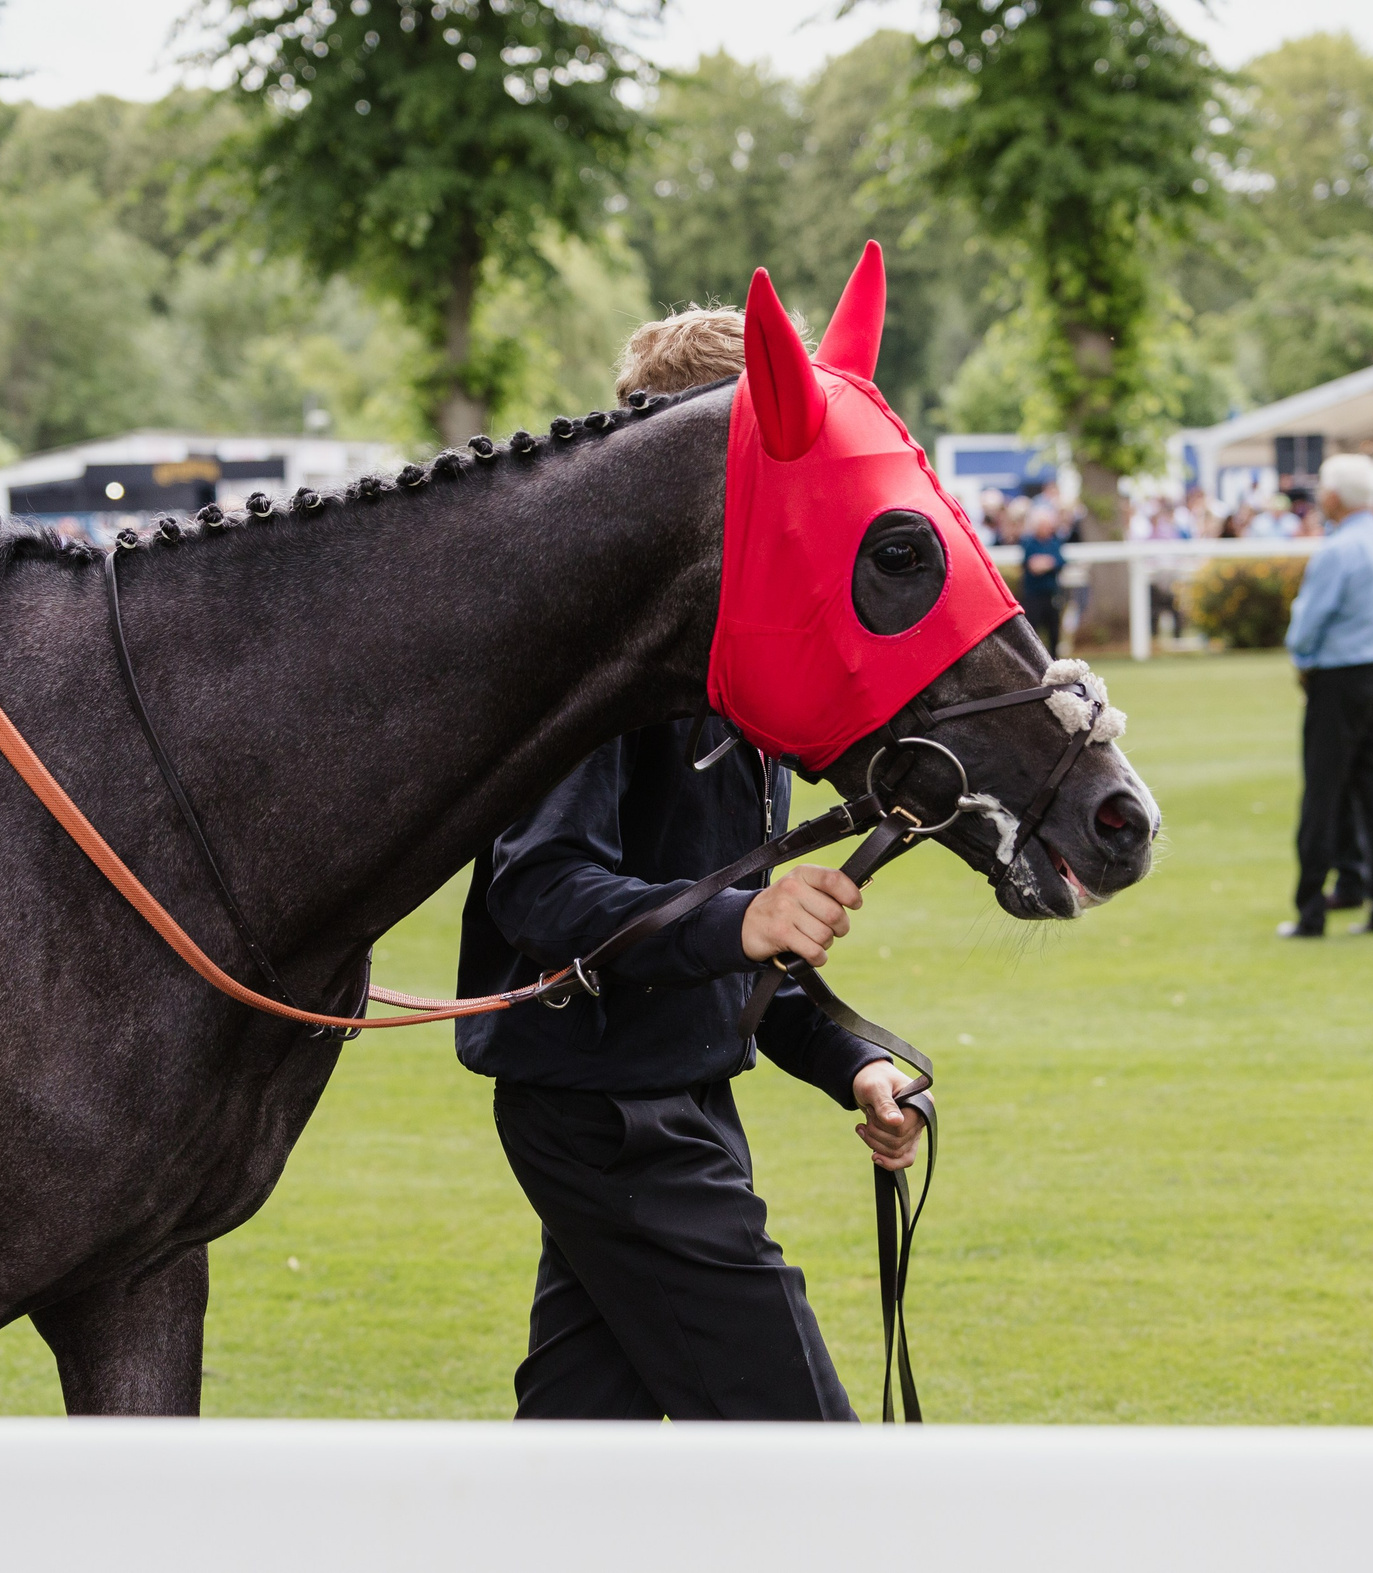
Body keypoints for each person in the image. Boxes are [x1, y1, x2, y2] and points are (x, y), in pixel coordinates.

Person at [455, 307, 929, 1421]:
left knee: (583, 1448)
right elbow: (540, 888)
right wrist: (746, 923)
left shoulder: (728, 661)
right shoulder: (594, 669)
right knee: (799, 1445)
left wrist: (850, 1058)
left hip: (674, 1094)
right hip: (607, 1114)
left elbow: (733, 937)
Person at [1280, 453, 1373, 938]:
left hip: (1339, 677)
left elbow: (1307, 626)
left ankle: (1311, 911)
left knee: (1323, 792)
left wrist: (1303, 661)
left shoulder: (1338, 552)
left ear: (1334, 496)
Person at [1017, 506, 1065, 652]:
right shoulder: (1029, 543)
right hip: (1033, 595)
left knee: (1053, 631)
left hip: (1050, 594)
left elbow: (1059, 561)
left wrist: (1045, 563)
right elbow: (1031, 565)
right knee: (1033, 628)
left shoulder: (1054, 543)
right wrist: (1046, 563)